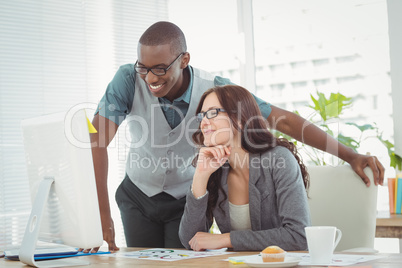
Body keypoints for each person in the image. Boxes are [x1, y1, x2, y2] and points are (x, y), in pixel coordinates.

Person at [89, 21, 384, 252]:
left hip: (184, 195)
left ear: (184, 59)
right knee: (142, 264)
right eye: (144, 68)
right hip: (138, 193)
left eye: (160, 68)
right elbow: (96, 140)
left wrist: (350, 154)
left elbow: (287, 122)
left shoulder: (217, 92)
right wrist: (100, 215)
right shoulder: (128, 79)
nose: (151, 78)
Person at [179, 85, 311, 251]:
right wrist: (200, 176)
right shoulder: (215, 168)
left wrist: (227, 239)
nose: (204, 122)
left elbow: (298, 236)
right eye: (202, 115)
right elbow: (190, 240)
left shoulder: (278, 159)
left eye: (212, 113)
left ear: (240, 119)